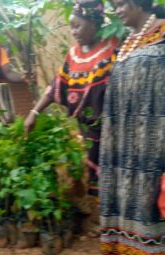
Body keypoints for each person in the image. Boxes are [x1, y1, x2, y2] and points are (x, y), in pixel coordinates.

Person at [98, 0, 165, 253]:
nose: (117, 10)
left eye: (121, 4)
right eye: (114, 5)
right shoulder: (129, 40)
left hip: (156, 140)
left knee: (156, 196)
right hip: (123, 141)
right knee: (127, 195)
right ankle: (127, 245)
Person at [25, 0, 117, 236]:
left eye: (78, 26)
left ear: (94, 22)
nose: (74, 32)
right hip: (88, 131)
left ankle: (115, 220)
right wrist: (34, 112)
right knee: (92, 173)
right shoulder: (73, 55)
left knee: (112, 172)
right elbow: (56, 86)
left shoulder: (114, 48)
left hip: (115, 130)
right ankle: (98, 220)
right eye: (71, 27)